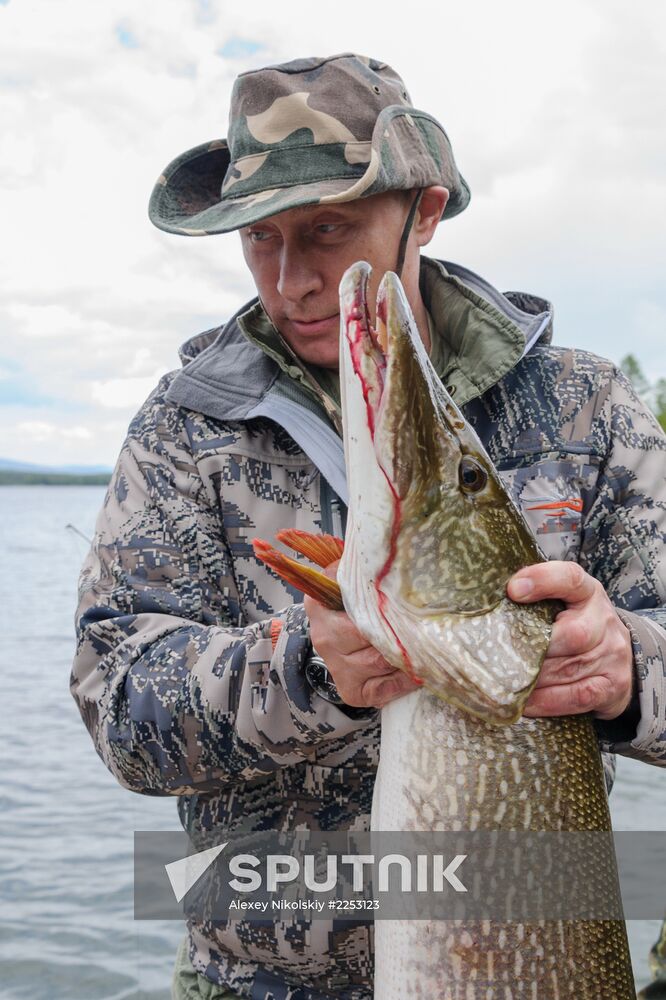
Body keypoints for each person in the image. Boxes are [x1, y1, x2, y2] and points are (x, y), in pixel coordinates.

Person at [71, 53, 666, 1000]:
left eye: (327, 229)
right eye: (259, 237)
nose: (291, 279)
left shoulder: (587, 409)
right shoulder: (186, 427)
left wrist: (627, 667)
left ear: (423, 212)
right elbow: (119, 705)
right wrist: (307, 673)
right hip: (259, 977)